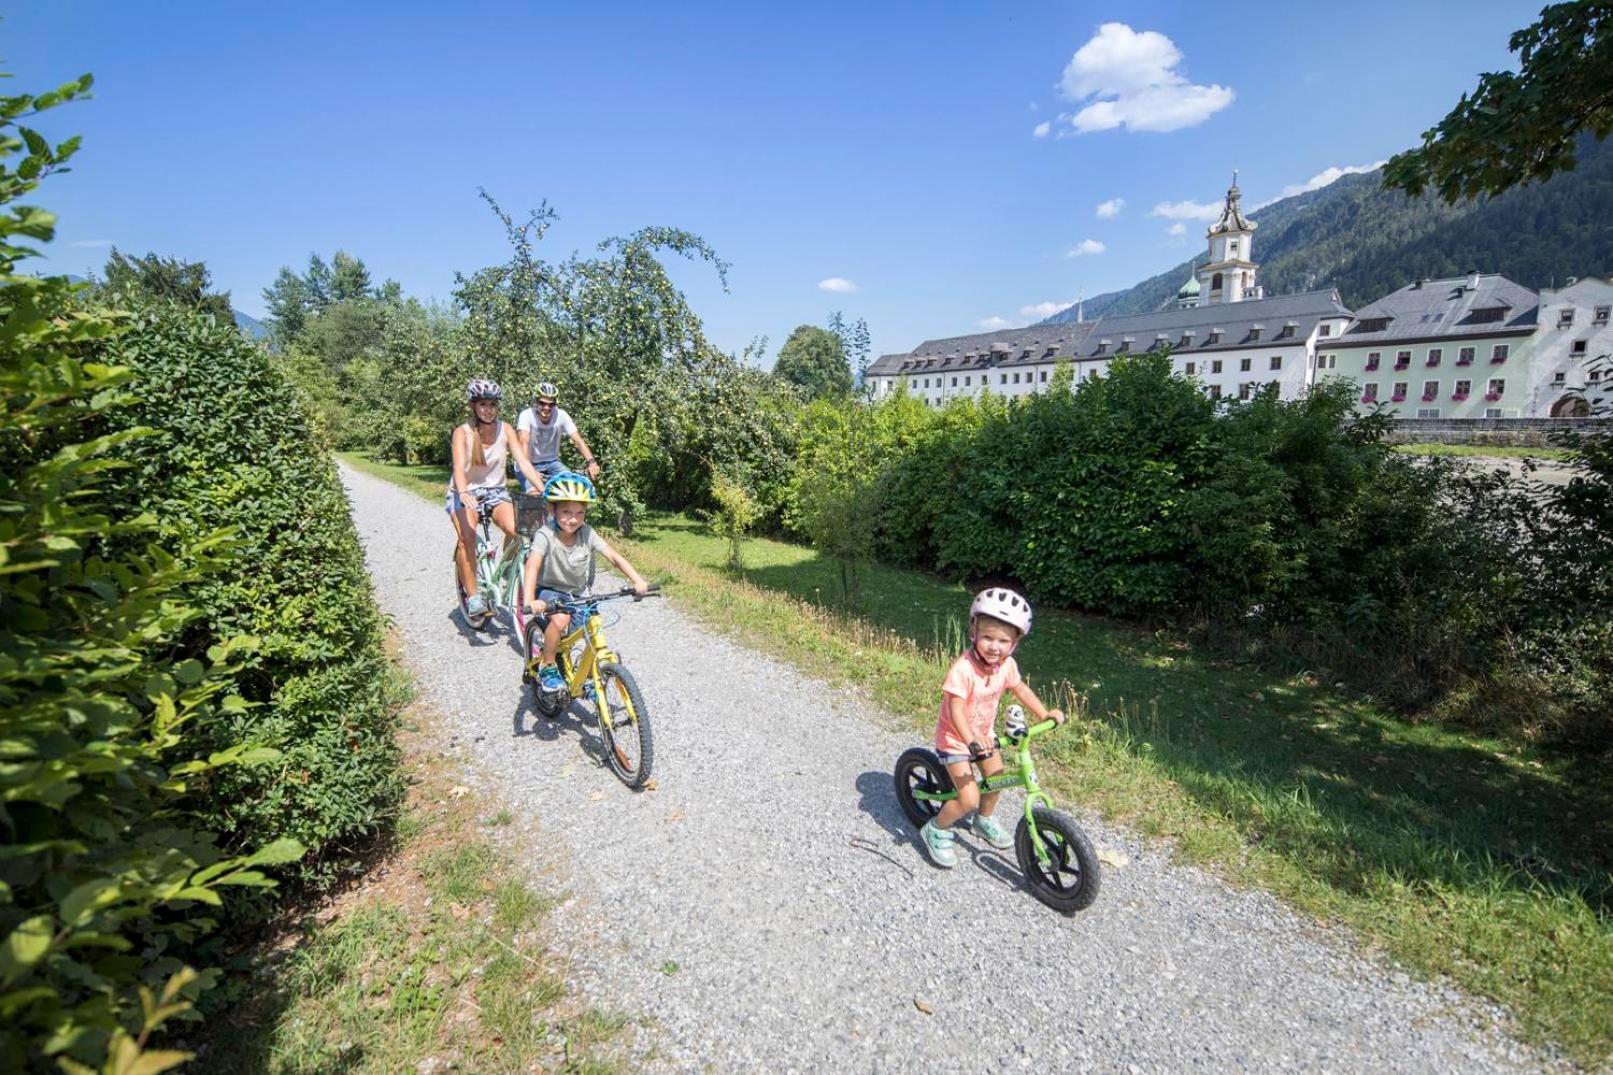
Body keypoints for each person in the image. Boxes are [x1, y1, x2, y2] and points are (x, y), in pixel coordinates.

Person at [920, 588, 1066, 868]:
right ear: (974, 632)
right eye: (988, 637)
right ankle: (936, 828)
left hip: (984, 738)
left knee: (996, 778)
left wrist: (1044, 713)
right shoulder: (963, 670)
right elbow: (956, 709)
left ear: (1014, 643)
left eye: (1003, 640)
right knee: (969, 798)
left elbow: (1020, 689)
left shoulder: (1006, 666)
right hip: (956, 740)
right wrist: (971, 738)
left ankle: (983, 821)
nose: (994, 646)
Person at [521, 471, 649, 693]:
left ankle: (588, 675)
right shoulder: (545, 534)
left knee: (592, 628)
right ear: (552, 510)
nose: (573, 519)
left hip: (579, 592)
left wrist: (637, 580)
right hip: (550, 591)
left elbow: (614, 556)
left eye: (580, 513)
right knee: (560, 621)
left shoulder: (587, 533)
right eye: (566, 512)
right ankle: (548, 665)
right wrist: (530, 599)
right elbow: (532, 565)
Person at [447, 379, 549, 620]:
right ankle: (473, 598)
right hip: (464, 492)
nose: (488, 409)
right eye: (483, 404)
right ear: (473, 406)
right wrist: (463, 493)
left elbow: (523, 463)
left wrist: (544, 488)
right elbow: (459, 468)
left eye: (493, 404)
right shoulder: (462, 433)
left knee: (519, 530)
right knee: (467, 537)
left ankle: (507, 571)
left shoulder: (506, 429)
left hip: (495, 492)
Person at [515, 382, 601, 492]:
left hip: (552, 463)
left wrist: (592, 462)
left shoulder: (561, 415)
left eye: (551, 404)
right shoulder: (526, 415)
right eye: (542, 403)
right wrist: (530, 470)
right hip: (527, 463)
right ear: (535, 402)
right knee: (535, 496)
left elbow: (578, 440)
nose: (546, 408)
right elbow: (523, 442)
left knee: (571, 488)